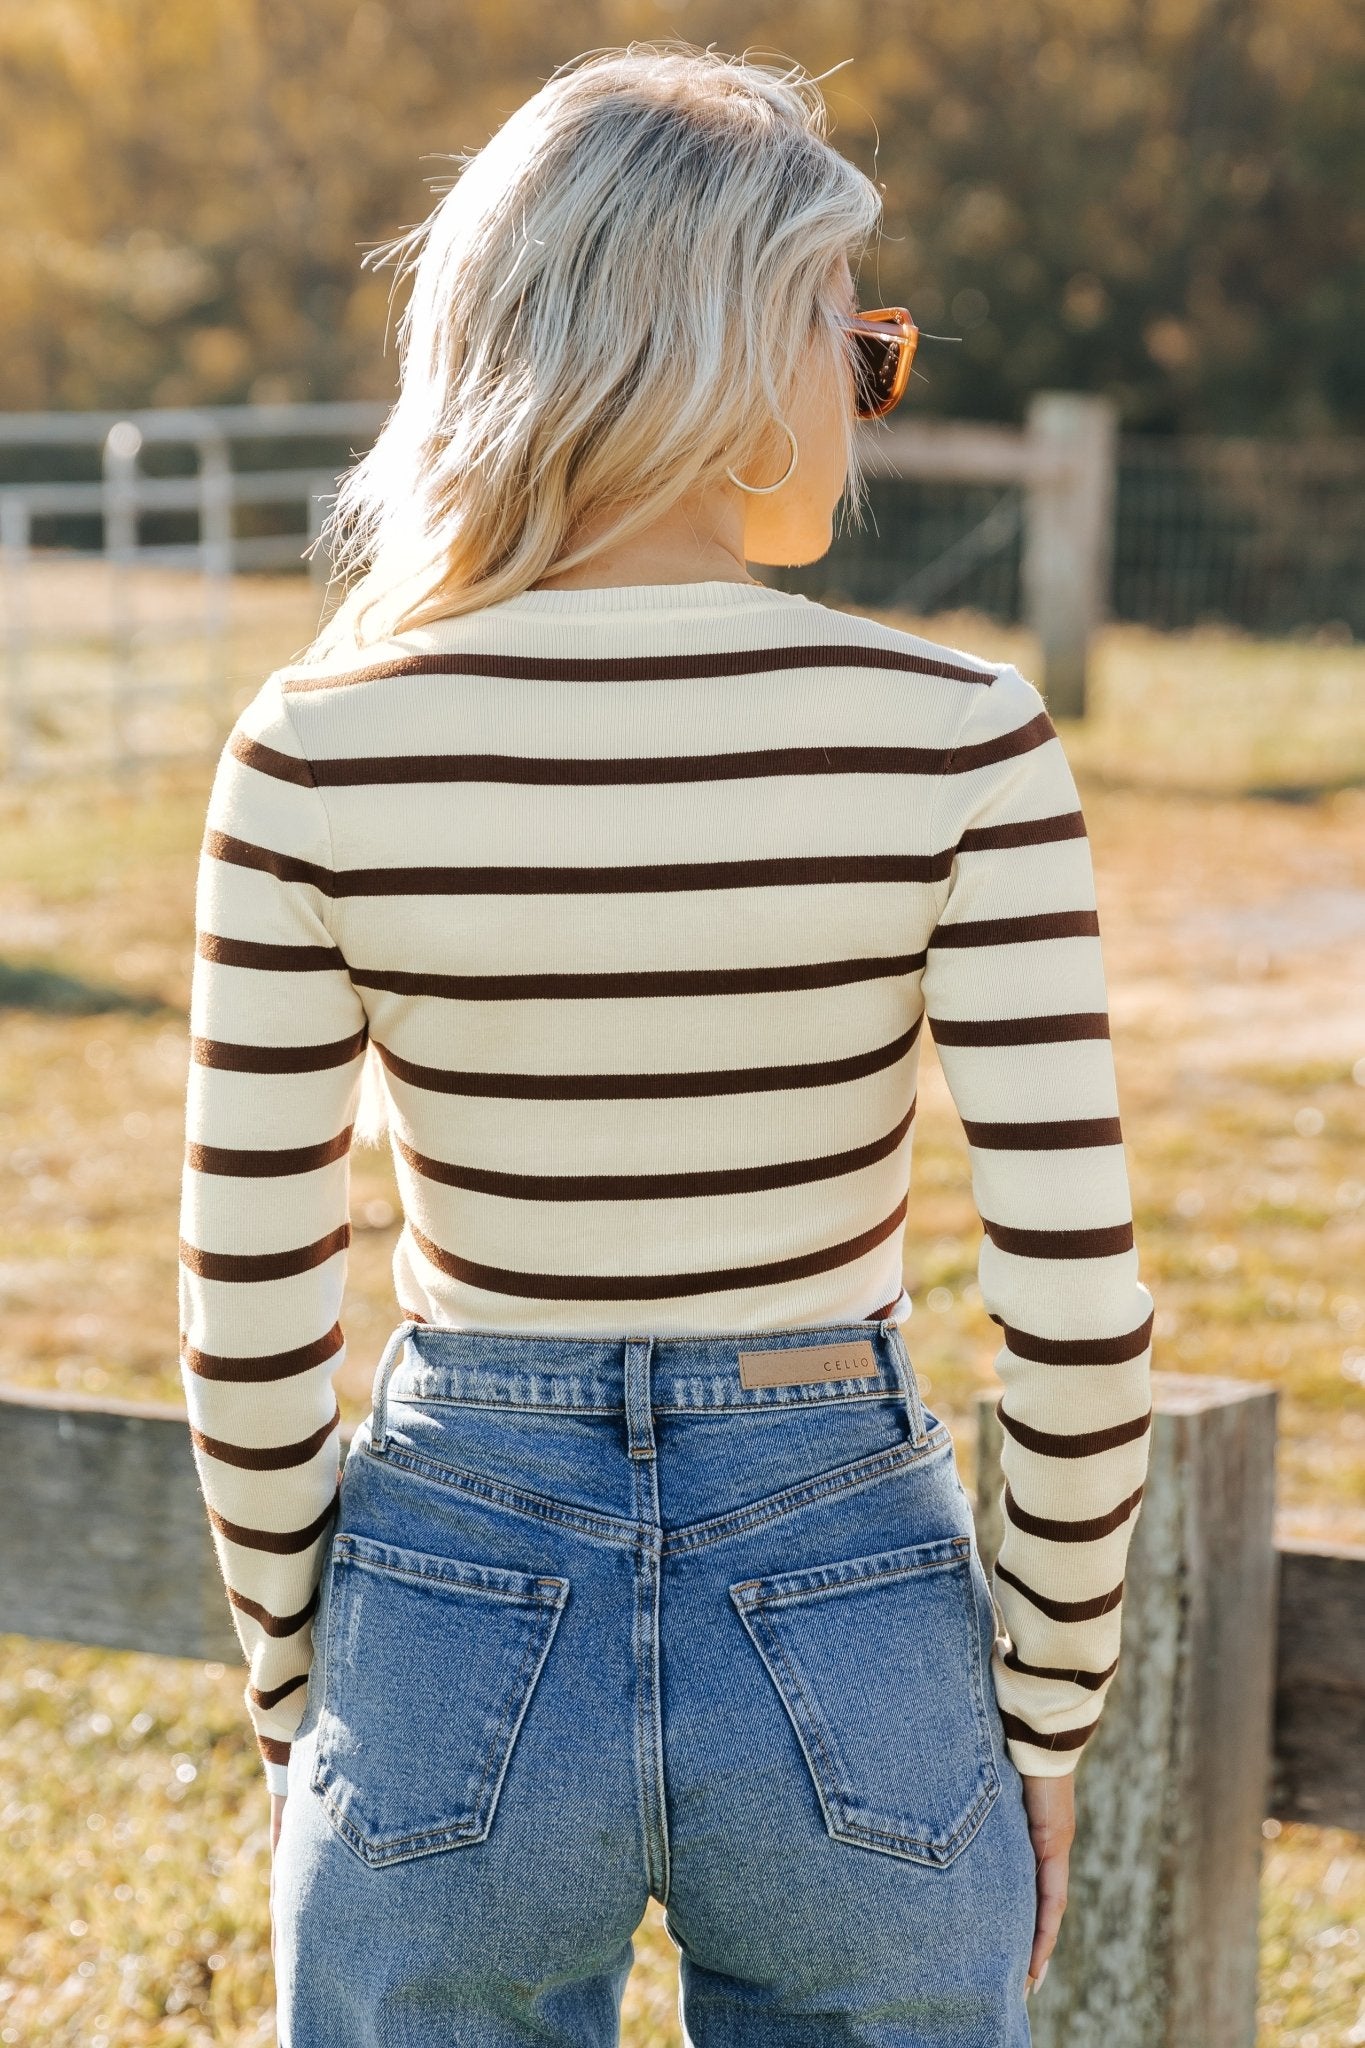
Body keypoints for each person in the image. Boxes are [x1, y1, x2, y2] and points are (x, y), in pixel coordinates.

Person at [178, 41, 1154, 2046]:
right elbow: (1071, 1309)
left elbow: (251, 1322)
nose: (870, 392)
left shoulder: (311, 750)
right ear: (717, 358)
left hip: (447, 1593)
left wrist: (306, 1701)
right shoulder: (958, 743)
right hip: (852, 1596)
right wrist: (1044, 1721)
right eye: (849, 341)